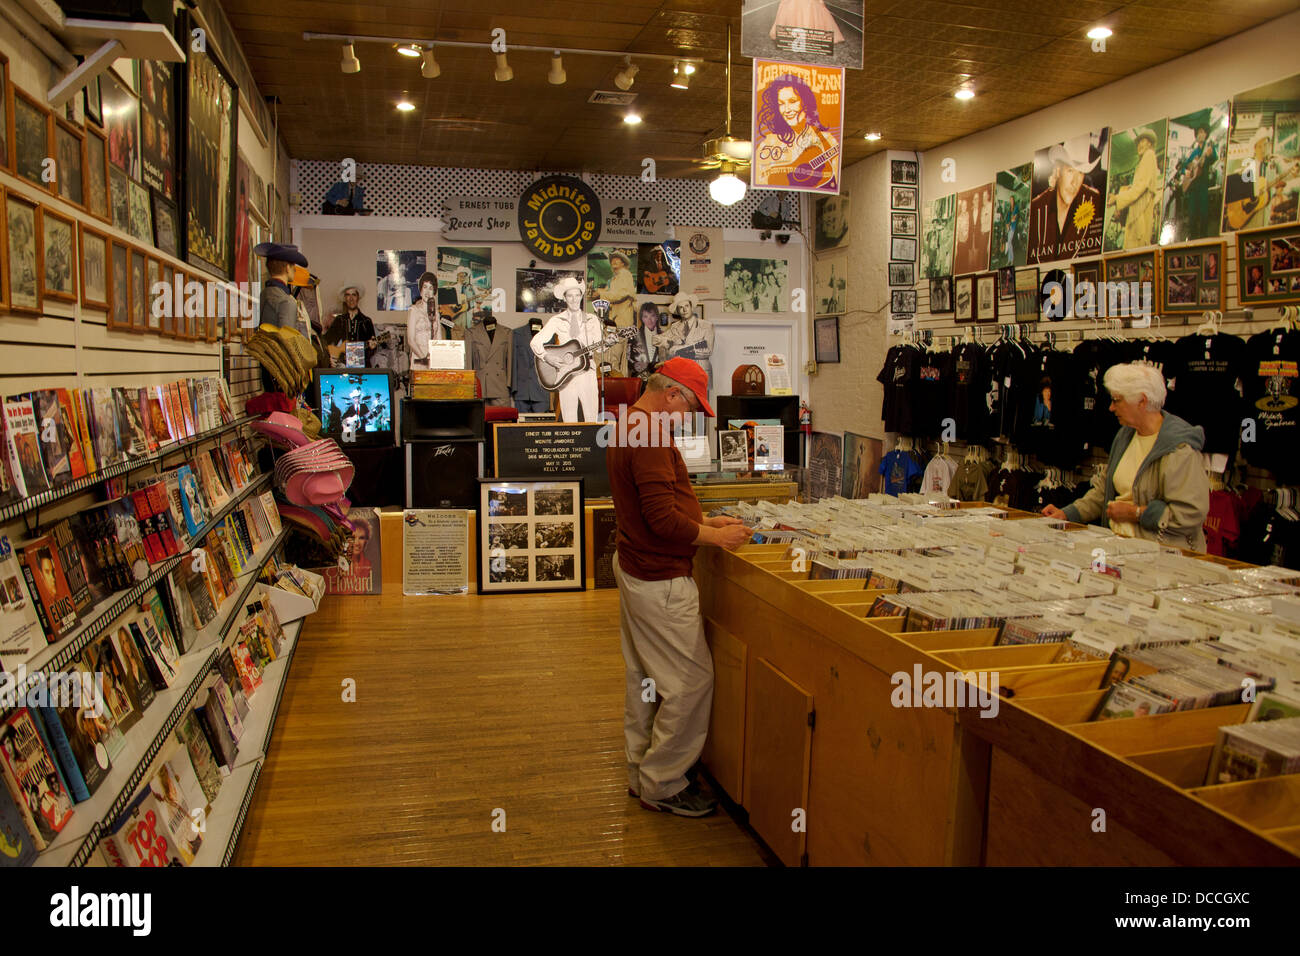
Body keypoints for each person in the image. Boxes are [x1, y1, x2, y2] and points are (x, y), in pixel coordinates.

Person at [606, 357, 751, 816]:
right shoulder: (649, 435)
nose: (687, 418)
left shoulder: (628, 422)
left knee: (645, 678)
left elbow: (655, 507)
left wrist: (704, 520)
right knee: (690, 684)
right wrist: (714, 536)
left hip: (635, 566)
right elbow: (662, 519)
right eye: (689, 407)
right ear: (671, 394)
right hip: (659, 577)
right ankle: (664, 783)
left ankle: (640, 772)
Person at [1041, 362, 1209, 550]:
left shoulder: (1179, 449)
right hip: (1120, 554)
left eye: (1117, 400)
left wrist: (1135, 513)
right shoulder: (1125, 436)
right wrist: (1067, 514)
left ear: (1142, 401)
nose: (1111, 408)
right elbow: (1104, 492)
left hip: (1163, 562)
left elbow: (1190, 513)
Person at [530, 277, 604, 422]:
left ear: (581, 296)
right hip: (565, 373)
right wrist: (547, 357)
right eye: (570, 296)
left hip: (587, 371)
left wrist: (607, 343)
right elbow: (535, 342)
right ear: (564, 298)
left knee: (591, 417)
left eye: (577, 295)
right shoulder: (557, 320)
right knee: (569, 418)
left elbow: (600, 348)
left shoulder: (592, 319)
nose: (574, 299)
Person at [755, 74, 838, 191]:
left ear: (805, 101)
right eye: (781, 104)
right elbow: (760, 179)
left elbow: (833, 174)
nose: (787, 109)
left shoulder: (826, 139)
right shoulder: (768, 144)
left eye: (793, 101)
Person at [1028, 139, 1103, 261]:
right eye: (1070, 171)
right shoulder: (1037, 207)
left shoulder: (1092, 200)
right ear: (1058, 171)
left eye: (1080, 173)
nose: (1075, 182)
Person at [1107, 127, 1161, 249]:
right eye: (1138, 142)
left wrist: (1116, 198)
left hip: (1139, 218)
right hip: (1138, 217)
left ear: (1150, 144)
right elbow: (1139, 186)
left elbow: (1139, 188)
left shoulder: (1149, 155)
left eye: (1143, 141)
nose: (1139, 145)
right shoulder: (1144, 160)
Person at [322, 286, 376, 367]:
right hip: (342, 365)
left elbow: (373, 346)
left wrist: (372, 347)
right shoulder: (339, 320)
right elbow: (325, 341)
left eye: (353, 295)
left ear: (358, 298)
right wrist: (329, 357)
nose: (351, 298)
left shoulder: (366, 321)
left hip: (361, 365)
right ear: (345, 298)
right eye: (348, 295)